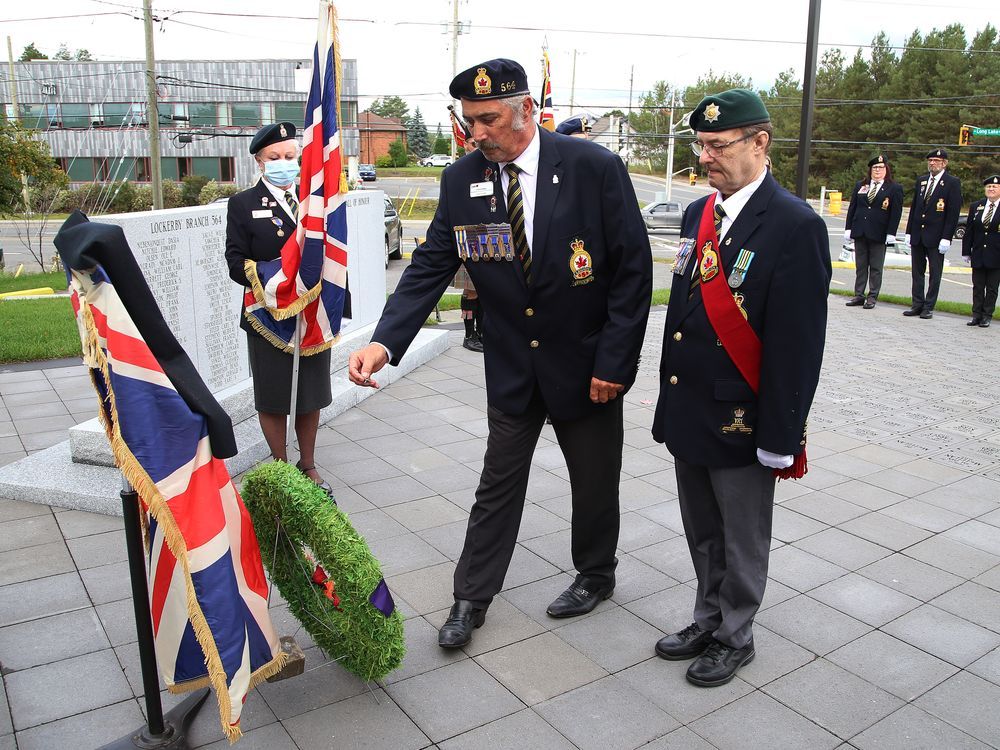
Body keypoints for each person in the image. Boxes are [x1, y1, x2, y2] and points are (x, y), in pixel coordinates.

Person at [348, 58, 652, 648]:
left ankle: (596, 574)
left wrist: (615, 363)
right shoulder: (462, 180)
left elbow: (632, 273)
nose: (476, 133)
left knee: (593, 481)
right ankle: (471, 596)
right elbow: (433, 264)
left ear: (527, 113)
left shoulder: (594, 169)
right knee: (497, 482)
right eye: (469, 121)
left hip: (587, 367)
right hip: (513, 364)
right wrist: (385, 341)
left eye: (488, 120)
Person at [651, 89, 831, 687]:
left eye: (718, 145)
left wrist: (781, 433)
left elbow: (798, 347)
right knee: (702, 530)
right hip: (692, 406)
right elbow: (682, 312)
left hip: (742, 417)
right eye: (700, 145)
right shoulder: (699, 215)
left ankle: (736, 634)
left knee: (742, 536)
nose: (705, 157)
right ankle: (707, 617)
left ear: (760, 143)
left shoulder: (794, 225)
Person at [224, 122, 334, 496]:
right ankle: (282, 467)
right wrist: (278, 278)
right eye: (275, 158)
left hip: (311, 314)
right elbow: (235, 261)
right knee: (274, 394)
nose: (284, 163)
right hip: (267, 316)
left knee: (310, 392)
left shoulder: (315, 200)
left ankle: (308, 463)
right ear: (259, 161)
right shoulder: (243, 204)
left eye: (290, 156)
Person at [903, 148, 962, 319]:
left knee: (935, 273)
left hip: (936, 236)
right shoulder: (922, 181)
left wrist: (946, 237)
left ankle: (929, 306)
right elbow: (915, 208)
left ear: (944, 163)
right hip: (918, 234)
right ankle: (917, 304)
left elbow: (952, 213)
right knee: (917, 272)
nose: (932, 163)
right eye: (930, 161)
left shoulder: (952, 182)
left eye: (936, 161)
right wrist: (908, 232)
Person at [843, 154, 904, 309]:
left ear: (886, 170)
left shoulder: (894, 188)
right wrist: (848, 228)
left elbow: (895, 212)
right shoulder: (861, 186)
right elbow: (853, 208)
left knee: (876, 267)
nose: (877, 170)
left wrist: (891, 233)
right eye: (875, 168)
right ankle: (858, 295)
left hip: (879, 233)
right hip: (860, 231)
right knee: (861, 266)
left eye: (881, 168)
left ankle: (872, 296)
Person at [961, 174, 1000, 328]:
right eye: (989, 186)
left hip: (996, 255)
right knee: (977, 286)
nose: (991, 189)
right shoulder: (977, 206)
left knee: (991, 288)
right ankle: (976, 315)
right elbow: (969, 230)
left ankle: (987, 316)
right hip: (978, 253)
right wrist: (966, 251)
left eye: (995, 187)